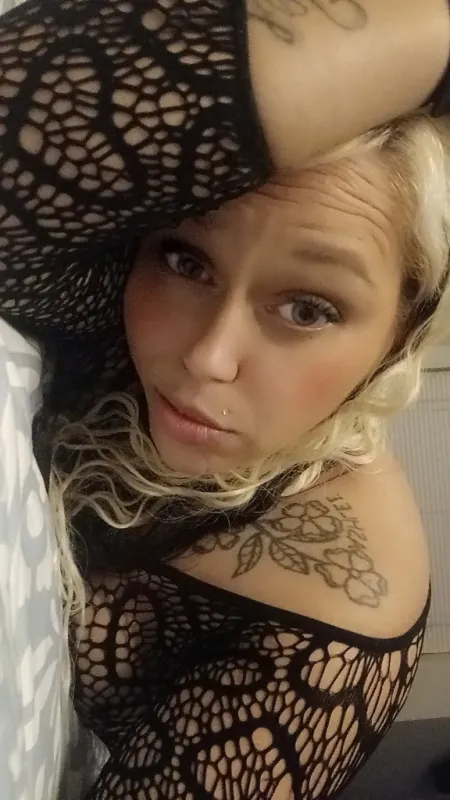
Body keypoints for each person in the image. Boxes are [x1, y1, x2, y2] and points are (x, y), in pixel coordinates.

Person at [0, 1, 450, 799]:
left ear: (401, 332)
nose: (207, 355)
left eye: (306, 308)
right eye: (187, 260)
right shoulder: (110, 298)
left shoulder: (327, 637)